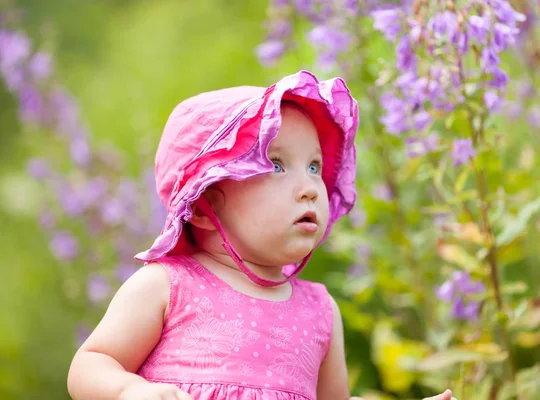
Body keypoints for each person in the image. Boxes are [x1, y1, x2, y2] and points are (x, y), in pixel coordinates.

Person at [67, 70, 453, 400]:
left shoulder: (320, 311)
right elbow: (91, 363)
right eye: (278, 165)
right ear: (203, 205)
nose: (310, 188)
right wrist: (131, 391)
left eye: (315, 167)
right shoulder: (168, 286)